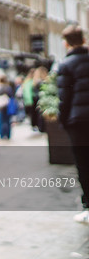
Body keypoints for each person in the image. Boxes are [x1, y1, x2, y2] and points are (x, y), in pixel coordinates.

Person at [56, 24, 89, 224]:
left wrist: (64, 121)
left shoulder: (65, 65)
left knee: (84, 163)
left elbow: (64, 98)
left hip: (78, 122)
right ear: (84, 40)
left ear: (66, 43)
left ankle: (88, 205)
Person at [0, 72, 13, 140]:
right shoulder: (8, 87)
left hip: (0, 106)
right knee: (7, 121)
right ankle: (7, 135)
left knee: (0, 121)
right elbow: (11, 95)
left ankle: (1, 135)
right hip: (7, 105)